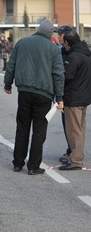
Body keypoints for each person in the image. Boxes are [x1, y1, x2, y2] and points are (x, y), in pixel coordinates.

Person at [4, 20, 64, 175]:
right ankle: (33, 166)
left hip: (24, 92)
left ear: (38, 29)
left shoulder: (22, 42)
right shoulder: (54, 49)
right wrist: (60, 97)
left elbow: (12, 64)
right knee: (39, 130)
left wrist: (8, 84)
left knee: (22, 127)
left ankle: (18, 163)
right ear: (51, 34)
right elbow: (58, 74)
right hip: (44, 94)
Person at [59, 31, 91, 170]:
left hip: (73, 98)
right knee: (80, 129)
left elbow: (67, 76)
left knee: (73, 130)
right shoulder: (86, 54)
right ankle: (78, 156)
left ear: (67, 43)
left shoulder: (73, 56)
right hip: (84, 97)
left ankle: (75, 160)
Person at [54, 25, 73, 164]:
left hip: (71, 94)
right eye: (58, 35)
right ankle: (70, 149)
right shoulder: (59, 51)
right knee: (66, 124)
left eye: (61, 35)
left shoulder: (74, 53)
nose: (59, 37)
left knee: (72, 125)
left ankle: (73, 151)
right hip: (61, 94)